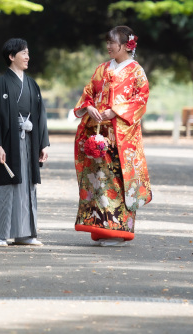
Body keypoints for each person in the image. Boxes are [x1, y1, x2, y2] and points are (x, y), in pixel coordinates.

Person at [72, 26, 151, 246]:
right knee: (99, 181)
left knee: (118, 182)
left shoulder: (136, 71)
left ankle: (118, 231)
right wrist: (89, 108)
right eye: (107, 43)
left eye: (112, 43)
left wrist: (114, 111)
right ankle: (101, 228)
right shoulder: (101, 69)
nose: (108, 47)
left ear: (127, 45)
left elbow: (140, 100)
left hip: (121, 137)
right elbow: (89, 93)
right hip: (98, 132)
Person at [0, 38, 50, 247]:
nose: (28, 57)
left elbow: (41, 116)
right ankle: (1, 234)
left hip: (29, 141)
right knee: (6, 184)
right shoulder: (0, 83)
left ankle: (25, 233)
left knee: (27, 185)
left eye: (28, 53)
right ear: (12, 57)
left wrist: (43, 143)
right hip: (8, 142)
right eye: (23, 53)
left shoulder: (32, 84)